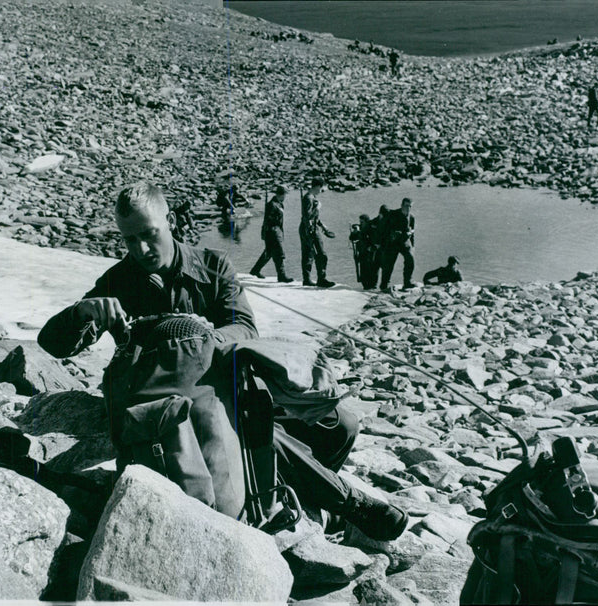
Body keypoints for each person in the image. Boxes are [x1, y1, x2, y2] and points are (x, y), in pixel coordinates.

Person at [38, 181, 408, 542]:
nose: (142, 248)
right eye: (130, 239)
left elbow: (245, 329)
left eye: (149, 233)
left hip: (229, 389)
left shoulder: (212, 267)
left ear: (170, 220)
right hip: (173, 413)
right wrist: (80, 313)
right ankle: (346, 503)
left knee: (340, 424)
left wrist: (203, 338)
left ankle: (308, 493)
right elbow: (52, 344)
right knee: (258, 430)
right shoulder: (118, 281)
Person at [250, 185, 293, 283]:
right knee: (279, 253)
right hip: (273, 231)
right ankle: (281, 276)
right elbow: (268, 220)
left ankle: (255, 270)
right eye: (285, 194)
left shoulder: (279, 204)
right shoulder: (272, 204)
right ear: (281, 194)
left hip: (276, 230)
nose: (285, 197)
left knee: (268, 252)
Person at [299, 177, 336, 288]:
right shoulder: (309, 198)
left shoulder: (309, 197)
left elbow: (311, 217)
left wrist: (322, 225)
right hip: (310, 229)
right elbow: (308, 216)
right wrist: (318, 208)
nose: (322, 190)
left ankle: (307, 279)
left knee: (307, 254)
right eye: (322, 188)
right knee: (321, 254)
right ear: (317, 186)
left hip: (307, 228)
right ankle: (321, 279)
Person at [380, 197, 416, 291]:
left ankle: (407, 282)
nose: (408, 208)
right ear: (401, 205)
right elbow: (383, 229)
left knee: (410, 259)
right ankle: (384, 285)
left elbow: (412, 232)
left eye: (410, 206)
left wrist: (413, 245)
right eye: (406, 206)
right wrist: (384, 242)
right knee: (389, 265)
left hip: (405, 242)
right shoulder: (392, 214)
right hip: (393, 243)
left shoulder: (411, 217)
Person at [349, 214, 377, 290]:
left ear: (366, 222)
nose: (360, 223)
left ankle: (372, 286)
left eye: (362, 222)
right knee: (363, 271)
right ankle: (366, 286)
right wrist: (354, 232)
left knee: (370, 270)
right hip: (362, 253)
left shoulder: (371, 229)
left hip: (369, 253)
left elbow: (370, 239)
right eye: (360, 222)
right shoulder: (361, 228)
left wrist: (358, 232)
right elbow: (352, 238)